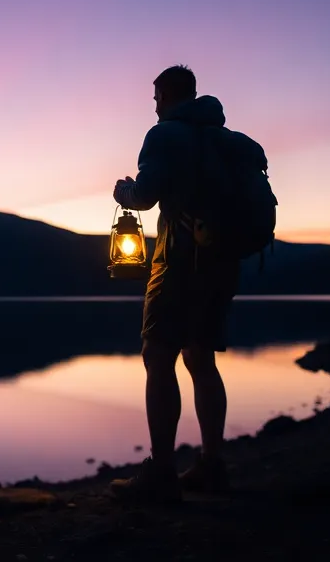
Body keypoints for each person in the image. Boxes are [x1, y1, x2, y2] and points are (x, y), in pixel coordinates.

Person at [109, 64, 240, 502]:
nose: (154, 107)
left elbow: (145, 196)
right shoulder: (220, 137)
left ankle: (162, 473)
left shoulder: (164, 134)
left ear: (165, 96)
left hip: (180, 262)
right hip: (222, 262)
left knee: (158, 355)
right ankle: (212, 465)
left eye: (155, 98)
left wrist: (124, 192)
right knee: (201, 358)